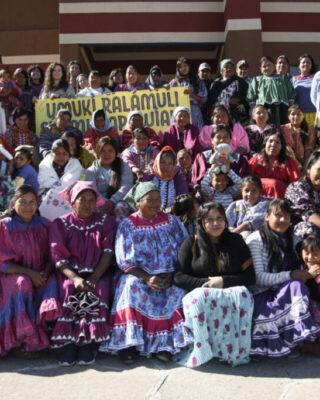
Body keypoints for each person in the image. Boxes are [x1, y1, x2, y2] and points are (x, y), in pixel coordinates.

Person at [100, 182, 192, 363]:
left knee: (178, 291)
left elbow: (185, 249)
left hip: (170, 275)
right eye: (150, 200)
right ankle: (129, 345)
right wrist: (146, 277)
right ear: (138, 202)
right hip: (139, 275)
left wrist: (175, 275)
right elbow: (123, 259)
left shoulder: (172, 221)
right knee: (130, 287)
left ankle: (163, 345)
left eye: (158, 200)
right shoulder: (128, 225)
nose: (155, 204)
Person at [174, 202, 255, 367]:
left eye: (219, 218)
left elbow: (250, 276)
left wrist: (223, 281)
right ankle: (202, 350)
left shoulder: (236, 241)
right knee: (199, 298)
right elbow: (178, 276)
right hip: (201, 294)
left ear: (225, 220)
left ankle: (231, 351)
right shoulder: (192, 242)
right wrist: (206, 284)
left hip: (230, 291)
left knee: (242, 294)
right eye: (210, 220)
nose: (215, 223)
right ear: (202, 222)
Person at [49, 180, 116, 366]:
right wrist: (76, 277)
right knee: (68, 288)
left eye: (90, 199)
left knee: (99, 289)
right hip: (70, 273)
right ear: (72, 201)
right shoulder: (61, 224)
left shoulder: (106, 222)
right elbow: (58, 256)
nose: (87, 204)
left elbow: (108, 251)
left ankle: (89, 343)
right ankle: (71, 342)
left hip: (98, 273)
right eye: (82, 199)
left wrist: (94, 276)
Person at [246, 199, 320, 359]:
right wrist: (291, 275)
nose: (282, 220)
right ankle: (293, 343)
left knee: (301, 286)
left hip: (282, 289)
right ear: (266, 216)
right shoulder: (255, 240)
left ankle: (301, 339)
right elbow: (258, 278)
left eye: (286, 216)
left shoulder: (292, 240)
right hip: (261, 294)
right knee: (295, 285)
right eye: (277, 215)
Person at [0, 185, 60, 357]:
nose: (28, 207)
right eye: (22, 202)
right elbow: (3, 263)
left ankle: (50, 336)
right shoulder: (4, 226)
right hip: (11, 275)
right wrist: (30, 274)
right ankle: (20, 339)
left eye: (32, 202)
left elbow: (52, 255)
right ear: (13, 203)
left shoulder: (45, 224)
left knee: (53, 282)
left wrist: (45, 272)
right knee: (22, 283)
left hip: (40, 273)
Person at [85, 136, 133, 216]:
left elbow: (126, 186)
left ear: (116, 152)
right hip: (99, 202)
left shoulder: (124, 166)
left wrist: (113, 201)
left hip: (120, 200)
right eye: (103, 151)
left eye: (110, 151)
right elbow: (92, 190)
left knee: (120, 207)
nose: (106, 154)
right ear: (98, 153)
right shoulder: (90, 171)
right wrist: (105, 203)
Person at [38, 139, 82, 220]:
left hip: (68, 195)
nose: (61, 157)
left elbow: (68, 183)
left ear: (69, 154)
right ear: (52, 154)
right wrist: (57, 188)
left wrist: (55, 187)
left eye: (64, 154)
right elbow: (44, 182)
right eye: (57, 154)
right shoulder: (45, 163)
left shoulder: (75, 164)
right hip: (46, 195)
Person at [249, 130, 301, 199]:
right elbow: (246, 180)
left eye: (277, 142)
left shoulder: (289, 162)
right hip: (256, 199)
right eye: (270, 141)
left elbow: (296, 184)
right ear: (265, 144)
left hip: (280, 201)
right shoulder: (255, 160)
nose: (273, 145)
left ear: (282, 147)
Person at [247, 56, 295, 127]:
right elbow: (251, 97)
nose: (267, 68)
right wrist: (254, 113)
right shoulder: (257, 80)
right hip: (264, 109)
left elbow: (291, 94)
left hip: (282, 109)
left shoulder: (283, 78)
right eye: (264, 66)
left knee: (282, 131)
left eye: (269, 65)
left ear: (274, 66)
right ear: (260, 69)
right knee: (268, 130)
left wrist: (290, 110)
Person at [285, 150, 320, 239]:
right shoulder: (296, 188)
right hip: (301, 231)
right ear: (309, 169)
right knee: (307, 228)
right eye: (319, 170)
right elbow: (307, 213)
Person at [142, 146, 188, 212]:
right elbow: (142, 198)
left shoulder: (177, 178)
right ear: (157, 162)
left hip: (173, 213)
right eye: (163, 162)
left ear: (174, 165)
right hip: (151, 212)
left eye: (170, 163)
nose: (166, 166)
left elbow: (183, 197)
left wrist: (172, 208)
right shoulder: (149, 178)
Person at [168, 57, 207, 130]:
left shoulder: (197, 81)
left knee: (196, 133)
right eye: (181, 67)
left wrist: (191, 94)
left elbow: (204, 99)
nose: (183, 68)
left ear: (189, 66)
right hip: (180, 114)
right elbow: (167, 98)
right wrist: (166, 88)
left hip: (195, 113)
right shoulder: (174, 82)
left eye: (185, 66)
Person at [207, 59, 248, 124]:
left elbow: (244, 95)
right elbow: (210, 99)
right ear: (221, 69)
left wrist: (238, 99)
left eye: (231, 67)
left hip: (233, 112)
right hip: (218, 113)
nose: (229, 69)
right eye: (226, 67)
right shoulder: (215, 83)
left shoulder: (239, 81)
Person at [280, 104, 316, 168]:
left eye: (299, 114)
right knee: (287, 149)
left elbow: (309, 148)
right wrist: (300, 162)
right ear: (288, 116)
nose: (296, 117)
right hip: (292, 158)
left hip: (307, 159)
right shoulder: (284, 128)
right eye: (293, 114)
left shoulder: (310, 128)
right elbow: (289, 147)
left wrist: (305, 164)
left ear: (303, 116)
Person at [300, 235, 320, 347]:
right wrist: (309, 276)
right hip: (309, 308)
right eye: (306, 253)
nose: (310, 257)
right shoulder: (301, 269)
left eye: (315, 254)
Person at [291, 54, 317, 126]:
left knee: (314, 135)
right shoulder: (293, 79)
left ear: (311, 65)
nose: (306, 64)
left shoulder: (316, 78)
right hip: (299, 114)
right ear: (299, 65)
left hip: (314, 112)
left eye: (308, 62)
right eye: (303, 62)